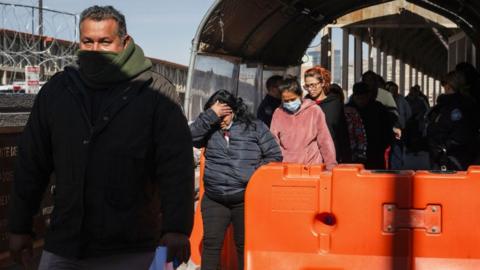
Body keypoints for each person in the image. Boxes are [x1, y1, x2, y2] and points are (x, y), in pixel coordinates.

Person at [8, 6, 194, 270]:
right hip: (65, 245)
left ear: (124, 42)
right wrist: (19, 227)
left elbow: (176, 166)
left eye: (104, 42)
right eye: (88, 41)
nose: (95, 49)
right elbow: (31, 163)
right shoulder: (58, 91)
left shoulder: (155, 92)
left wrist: (176, 227)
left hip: (130, 247)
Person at [190, 90, 282, 270]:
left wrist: (252, 174)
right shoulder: (209, 128)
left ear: (234, 111)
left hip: (245, 199)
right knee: (211, 244)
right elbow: (188, 136)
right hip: (215, 198)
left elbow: (274, 154)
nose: (220, 120)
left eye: (224, 114)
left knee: (243, 245)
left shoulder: (254, 127)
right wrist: (210, 116)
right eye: (217, 115)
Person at [270, 78, 337, 170]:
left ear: (300, 95)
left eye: (293, 99)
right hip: (286, 168)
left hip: (311, 167)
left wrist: (331, 165)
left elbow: (325, 140)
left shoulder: (314, 111)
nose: (290, 103)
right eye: (286, 101)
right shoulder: (278, 113)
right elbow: (273, 141)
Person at [426, 71, 476, 171]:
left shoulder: (452, 106)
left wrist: (442, 148)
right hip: (458, 154)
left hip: (449, 157)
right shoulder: (467, 104)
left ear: (449, 85)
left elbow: (456, 131)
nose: (443, 86)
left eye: (444, 83)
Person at [304, 66, 351, 163]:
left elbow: (342, 132)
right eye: (307, 86)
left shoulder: (335, 104)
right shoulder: (304, 104)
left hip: (331, 155)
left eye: (313, 85)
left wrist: (346, 158)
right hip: (308, 157)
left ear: (323, 83)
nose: (310, 89)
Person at [347, 82, 395, 169]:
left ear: (368, 96)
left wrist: (382, 146)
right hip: (355, 154)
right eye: (358, 98)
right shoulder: (348, 110)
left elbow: (387, 130)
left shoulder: (379, 109)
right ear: (354, 96)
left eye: (363, 98)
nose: (361, 101)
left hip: (375, 152)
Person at [329, 83, 367, 163]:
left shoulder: (351, 112)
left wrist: (360, 154)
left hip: (350, 154)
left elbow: (360, 135)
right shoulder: (323, 112)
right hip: (331, 153)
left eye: (336, 96)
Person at [385, 81, 412, 169]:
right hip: (389, 128)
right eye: (392, 90)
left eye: (395, 90)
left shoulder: (402, 100)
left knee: (398, 149)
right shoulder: (384, 101)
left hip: (400, 128)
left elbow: (409, 113)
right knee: (393, 150)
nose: (394, 92)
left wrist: (404, 125)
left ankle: (397, 168)